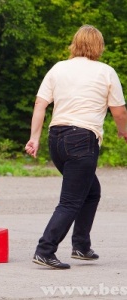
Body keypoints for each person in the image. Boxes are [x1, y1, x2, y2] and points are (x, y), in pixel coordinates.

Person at [25, 24, 127, 270]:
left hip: (56, 139)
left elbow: (40, 104)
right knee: (70, 201)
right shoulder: (106, 72)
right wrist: (124, 132)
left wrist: (34, 138)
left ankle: (81, 246)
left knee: (91, 191)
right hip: (82, 140)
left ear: (75, 43)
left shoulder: (58, 68)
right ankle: (45, 249)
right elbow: (119, 111)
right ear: (98, 46)